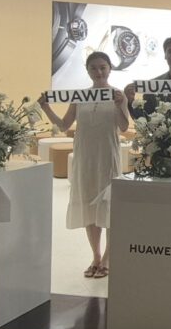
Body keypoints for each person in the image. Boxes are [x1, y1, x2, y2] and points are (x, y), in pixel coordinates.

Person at [39, 52, 130, 279]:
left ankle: (107, 259)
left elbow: (123, 126)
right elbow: (64, 125)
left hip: (107, 157)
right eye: (93, 68)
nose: (99, 72)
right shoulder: (80, 96)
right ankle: (96, 257)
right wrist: (46, 108)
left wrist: (120, 105)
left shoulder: (117, 95)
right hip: (85, 157)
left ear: (109, 68)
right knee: (89, 206)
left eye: (103, 67)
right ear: (88, 71)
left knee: (108, 207)